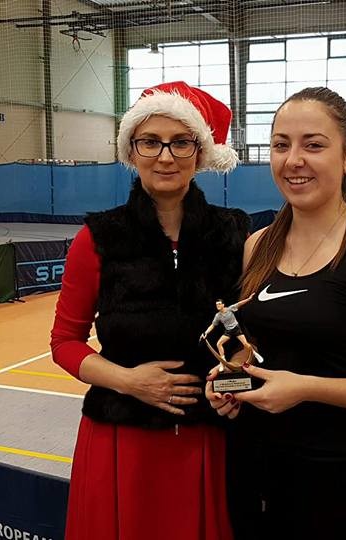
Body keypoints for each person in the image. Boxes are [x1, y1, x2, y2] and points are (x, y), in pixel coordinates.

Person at [206, 87, 346, 539]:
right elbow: (260, 355)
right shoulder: (257, 246)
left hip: (335, 479)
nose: (293, 160)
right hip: (253, 466)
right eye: (281, 145)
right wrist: (230, 383)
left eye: (313, 145)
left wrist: (306, 388)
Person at [50, 81, 250, 540]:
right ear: (131, 150)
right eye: (151, 142)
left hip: (209, 440)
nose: (165, 156)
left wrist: (233, 389)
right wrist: (129, 381)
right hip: (121, 444)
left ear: (200, 153)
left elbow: (247, 342)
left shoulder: (235, 235)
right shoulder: (96, 239)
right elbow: (64, 343)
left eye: (181, 142)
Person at [200, 295, 257, 369]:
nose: (218, 306)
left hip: (236, 329)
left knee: (245, 344)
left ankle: (254, 353)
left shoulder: (230, 309)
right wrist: (206, 332)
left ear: (223, 305)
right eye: (217, 305)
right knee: (219, 344)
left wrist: (248, 299)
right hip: (228, 331)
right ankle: (223, 361)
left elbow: (239, 304)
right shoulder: (218, 315)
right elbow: (213, 325)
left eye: (219, 304)